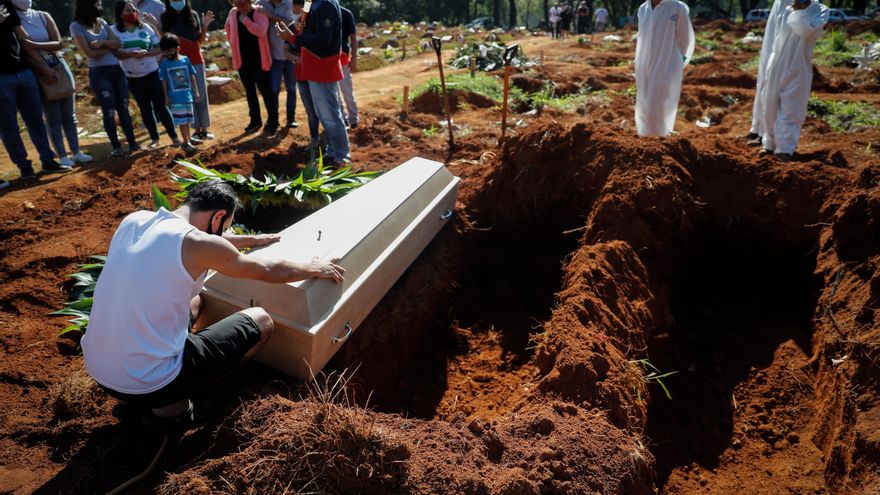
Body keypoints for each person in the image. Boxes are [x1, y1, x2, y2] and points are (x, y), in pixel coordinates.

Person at [81, 180, 345, 428]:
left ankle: (144, 401)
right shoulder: (195, 243)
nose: (225, 233)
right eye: (226, 225)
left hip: (101, 373)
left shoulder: (135, 221)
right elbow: (268, 269)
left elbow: (198, 242)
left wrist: (252, 240)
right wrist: (314, 267)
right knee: (261, 321)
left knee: (197, 300)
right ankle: (178, 408)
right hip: (154, 384)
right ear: (218, 216)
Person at [0, 0, 70, 190]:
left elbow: (23, 38)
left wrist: (42, 66)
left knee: (36, 120)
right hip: (1, 78)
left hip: (23, 70)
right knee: (9, 126)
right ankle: (24, 167)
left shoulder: (4, 3)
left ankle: (48, 161)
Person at [14, 0, 92, 168]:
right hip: (39, 72)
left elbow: (58, 43)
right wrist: (43, 69)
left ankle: (76, 152)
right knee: (53, 117)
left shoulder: (43, 16)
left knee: (69, 116)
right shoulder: (13, 20)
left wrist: (35, 45)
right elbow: (24, 51)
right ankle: (62, 155)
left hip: (59, 66)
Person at [757, 0, 828, 161]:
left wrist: (801, 11)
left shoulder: (821, 10)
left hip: (798, 67)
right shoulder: (785, 8)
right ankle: (769, 144)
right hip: (775, 65)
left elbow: (807, 32)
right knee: (769, 106)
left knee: (792, 108)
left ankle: (784, 149)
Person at [108, 0, 180, 148]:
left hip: (152, 72)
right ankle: (154, 139)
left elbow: (159, 48)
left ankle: (174, 137)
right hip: (132, 76)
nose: (132, 13)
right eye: (128, 11)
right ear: (120, 14)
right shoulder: (114, 31)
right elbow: (115, 52)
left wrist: (146, 54)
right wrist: (129, 55)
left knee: (161, 107)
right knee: (145, 108)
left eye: (134, 10)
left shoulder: (146, 28)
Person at [71, 0, 139, 157]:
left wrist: (102, 43)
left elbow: (118, 42)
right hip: (99, 73)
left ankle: (133, 143)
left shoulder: (101, 22)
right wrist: (110, 47)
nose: (100, 7)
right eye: (97, 3)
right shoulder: (76, 26)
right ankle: (116, 147)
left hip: (116, 71)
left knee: (124, 108)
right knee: (109, 110)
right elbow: (90, 54)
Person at [288, 0, 351, 164]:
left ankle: (341, 157)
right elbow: (304, 22)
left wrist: (292, 38)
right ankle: (332, 153)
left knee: (331, 116)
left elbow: (323, 40)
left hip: (323, 67)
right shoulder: (310, 2)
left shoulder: (325, 5)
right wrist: (299, 24)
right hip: (314, 67)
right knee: (324, 116)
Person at [633, 0, 694, 137]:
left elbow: (684, 36)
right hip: (644, 63)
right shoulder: (643, 9)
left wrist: (680, 59)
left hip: (668, 62)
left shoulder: (677, 7)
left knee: (659, 102)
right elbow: (642, 38)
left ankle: (659, 139)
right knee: (643, 100)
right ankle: (644, 137)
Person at [160, 0, 215, 142]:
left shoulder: (193, 15)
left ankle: (204, 129)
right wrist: (155, 25)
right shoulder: (165, 17)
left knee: (201, 95)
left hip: (195, 60)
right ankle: (195, 131)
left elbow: (200, 40)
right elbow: (165, 39)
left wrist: (205, 25)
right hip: (177, 64)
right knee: (188, 97)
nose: (178, 2)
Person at [225, 0, 278, 135]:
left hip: (259, 59)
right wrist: (232, 42)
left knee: (266, 91)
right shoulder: (233, 13)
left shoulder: (258, 12)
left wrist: (246, 21)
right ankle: (255, 120)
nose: (239, 5)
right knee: (250, 91)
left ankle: (273, 121)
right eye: (236, 3)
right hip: (242, 59)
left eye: (241, 2)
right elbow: (228, 27)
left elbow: (261, 31)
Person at [745, 0, 792, 146]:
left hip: (790, 62)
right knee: (765, 84)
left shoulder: (811, 6)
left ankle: (776, 141)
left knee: (781, 95)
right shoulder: (779, 3)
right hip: (773, 57)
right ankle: (760, 131)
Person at [255, 0, 298, 129]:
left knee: (291, 89)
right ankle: (274, 120)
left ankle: (291, 119)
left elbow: (292, 26)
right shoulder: (260, 4)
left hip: (290, 55)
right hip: (273, 57)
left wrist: (268, 14)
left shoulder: (290, 3)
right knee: (273, 90)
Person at [158, 33, 200, 153]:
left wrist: (196, 91)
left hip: (187, 96)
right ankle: (186, 142)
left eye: (171, 50)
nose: (169, 53)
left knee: (187, 120)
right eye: (165, 51)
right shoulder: (165, 64)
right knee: (182, 121)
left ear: (178, 48)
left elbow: (192, 75)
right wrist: (166, 97)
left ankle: (188, 140)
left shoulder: (185, 60)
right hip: (175, 98)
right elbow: (164, 81)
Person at [338, 4, 358, 129]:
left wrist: (354, 58)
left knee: (347, 91)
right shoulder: (318, 11)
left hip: (343, 58)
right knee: (334, 93)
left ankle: (353, 118)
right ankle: (342, 119)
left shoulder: (345, 14)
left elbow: (353, 38)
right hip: (326, 61)